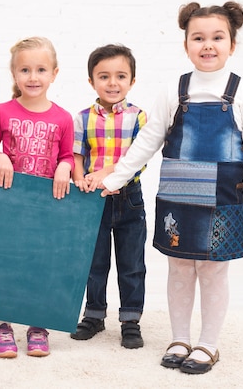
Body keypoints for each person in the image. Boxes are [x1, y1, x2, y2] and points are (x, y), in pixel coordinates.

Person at [92, 1, 243, 374]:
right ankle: (180, 337)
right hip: (179, 195)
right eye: (198, 37)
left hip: (223, 199)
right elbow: (147, 140)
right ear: (186, 44)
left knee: (213, 271)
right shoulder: (175, 90)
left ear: (232, 45)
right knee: (179, 268)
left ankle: (207, 343)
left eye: (217, 37)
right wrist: (115, 178)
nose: (208, 45)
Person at [0, 36, 75, 358]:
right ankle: (3, 326)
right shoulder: (2, 112)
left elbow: (68, 155)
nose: (33, 77)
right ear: (13, 74)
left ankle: (38, 325)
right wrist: (0, 158)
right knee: (6, 263)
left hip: (46, 208)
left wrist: (64, 166)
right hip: (8, 205)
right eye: (25, 70)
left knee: (40, 265)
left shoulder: (62, 118)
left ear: (54, 73)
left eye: (40, 70)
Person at [70, 44, 148, 349]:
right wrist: (80, 178)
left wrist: (108, 173)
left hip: (129, 197)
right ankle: (94, 314)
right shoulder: (82, 118)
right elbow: (77, 155)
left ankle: (130, 319)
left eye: (120, 76)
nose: (112, 83)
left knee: (131, 262)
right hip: (94, 199)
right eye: (104, 76)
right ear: (91, 81)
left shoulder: (139, 117)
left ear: (132, 81)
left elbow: (139, 158)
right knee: (94, 261)